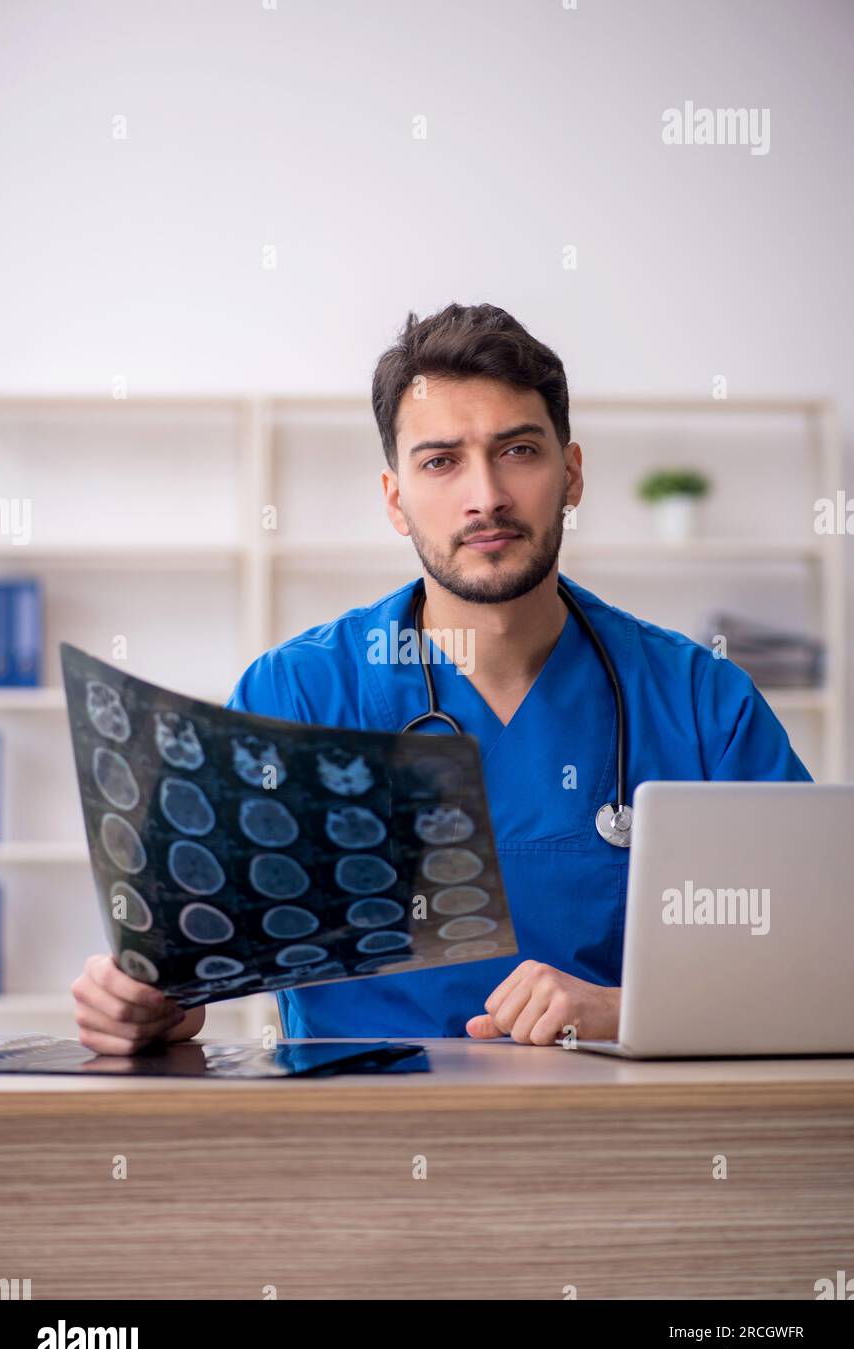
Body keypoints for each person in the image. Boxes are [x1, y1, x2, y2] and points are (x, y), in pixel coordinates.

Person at [72, 302, 811, 1054]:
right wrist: (147, 1004)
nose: (484, 495)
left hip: (616, 1144)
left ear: (572, 474)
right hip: (352, 1146)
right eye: (440, 461)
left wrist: (633, 1009)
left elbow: (808, 956)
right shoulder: (296, 695)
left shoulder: (701, 703)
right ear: (395, 499)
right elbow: (187, 972)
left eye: (518, 451)